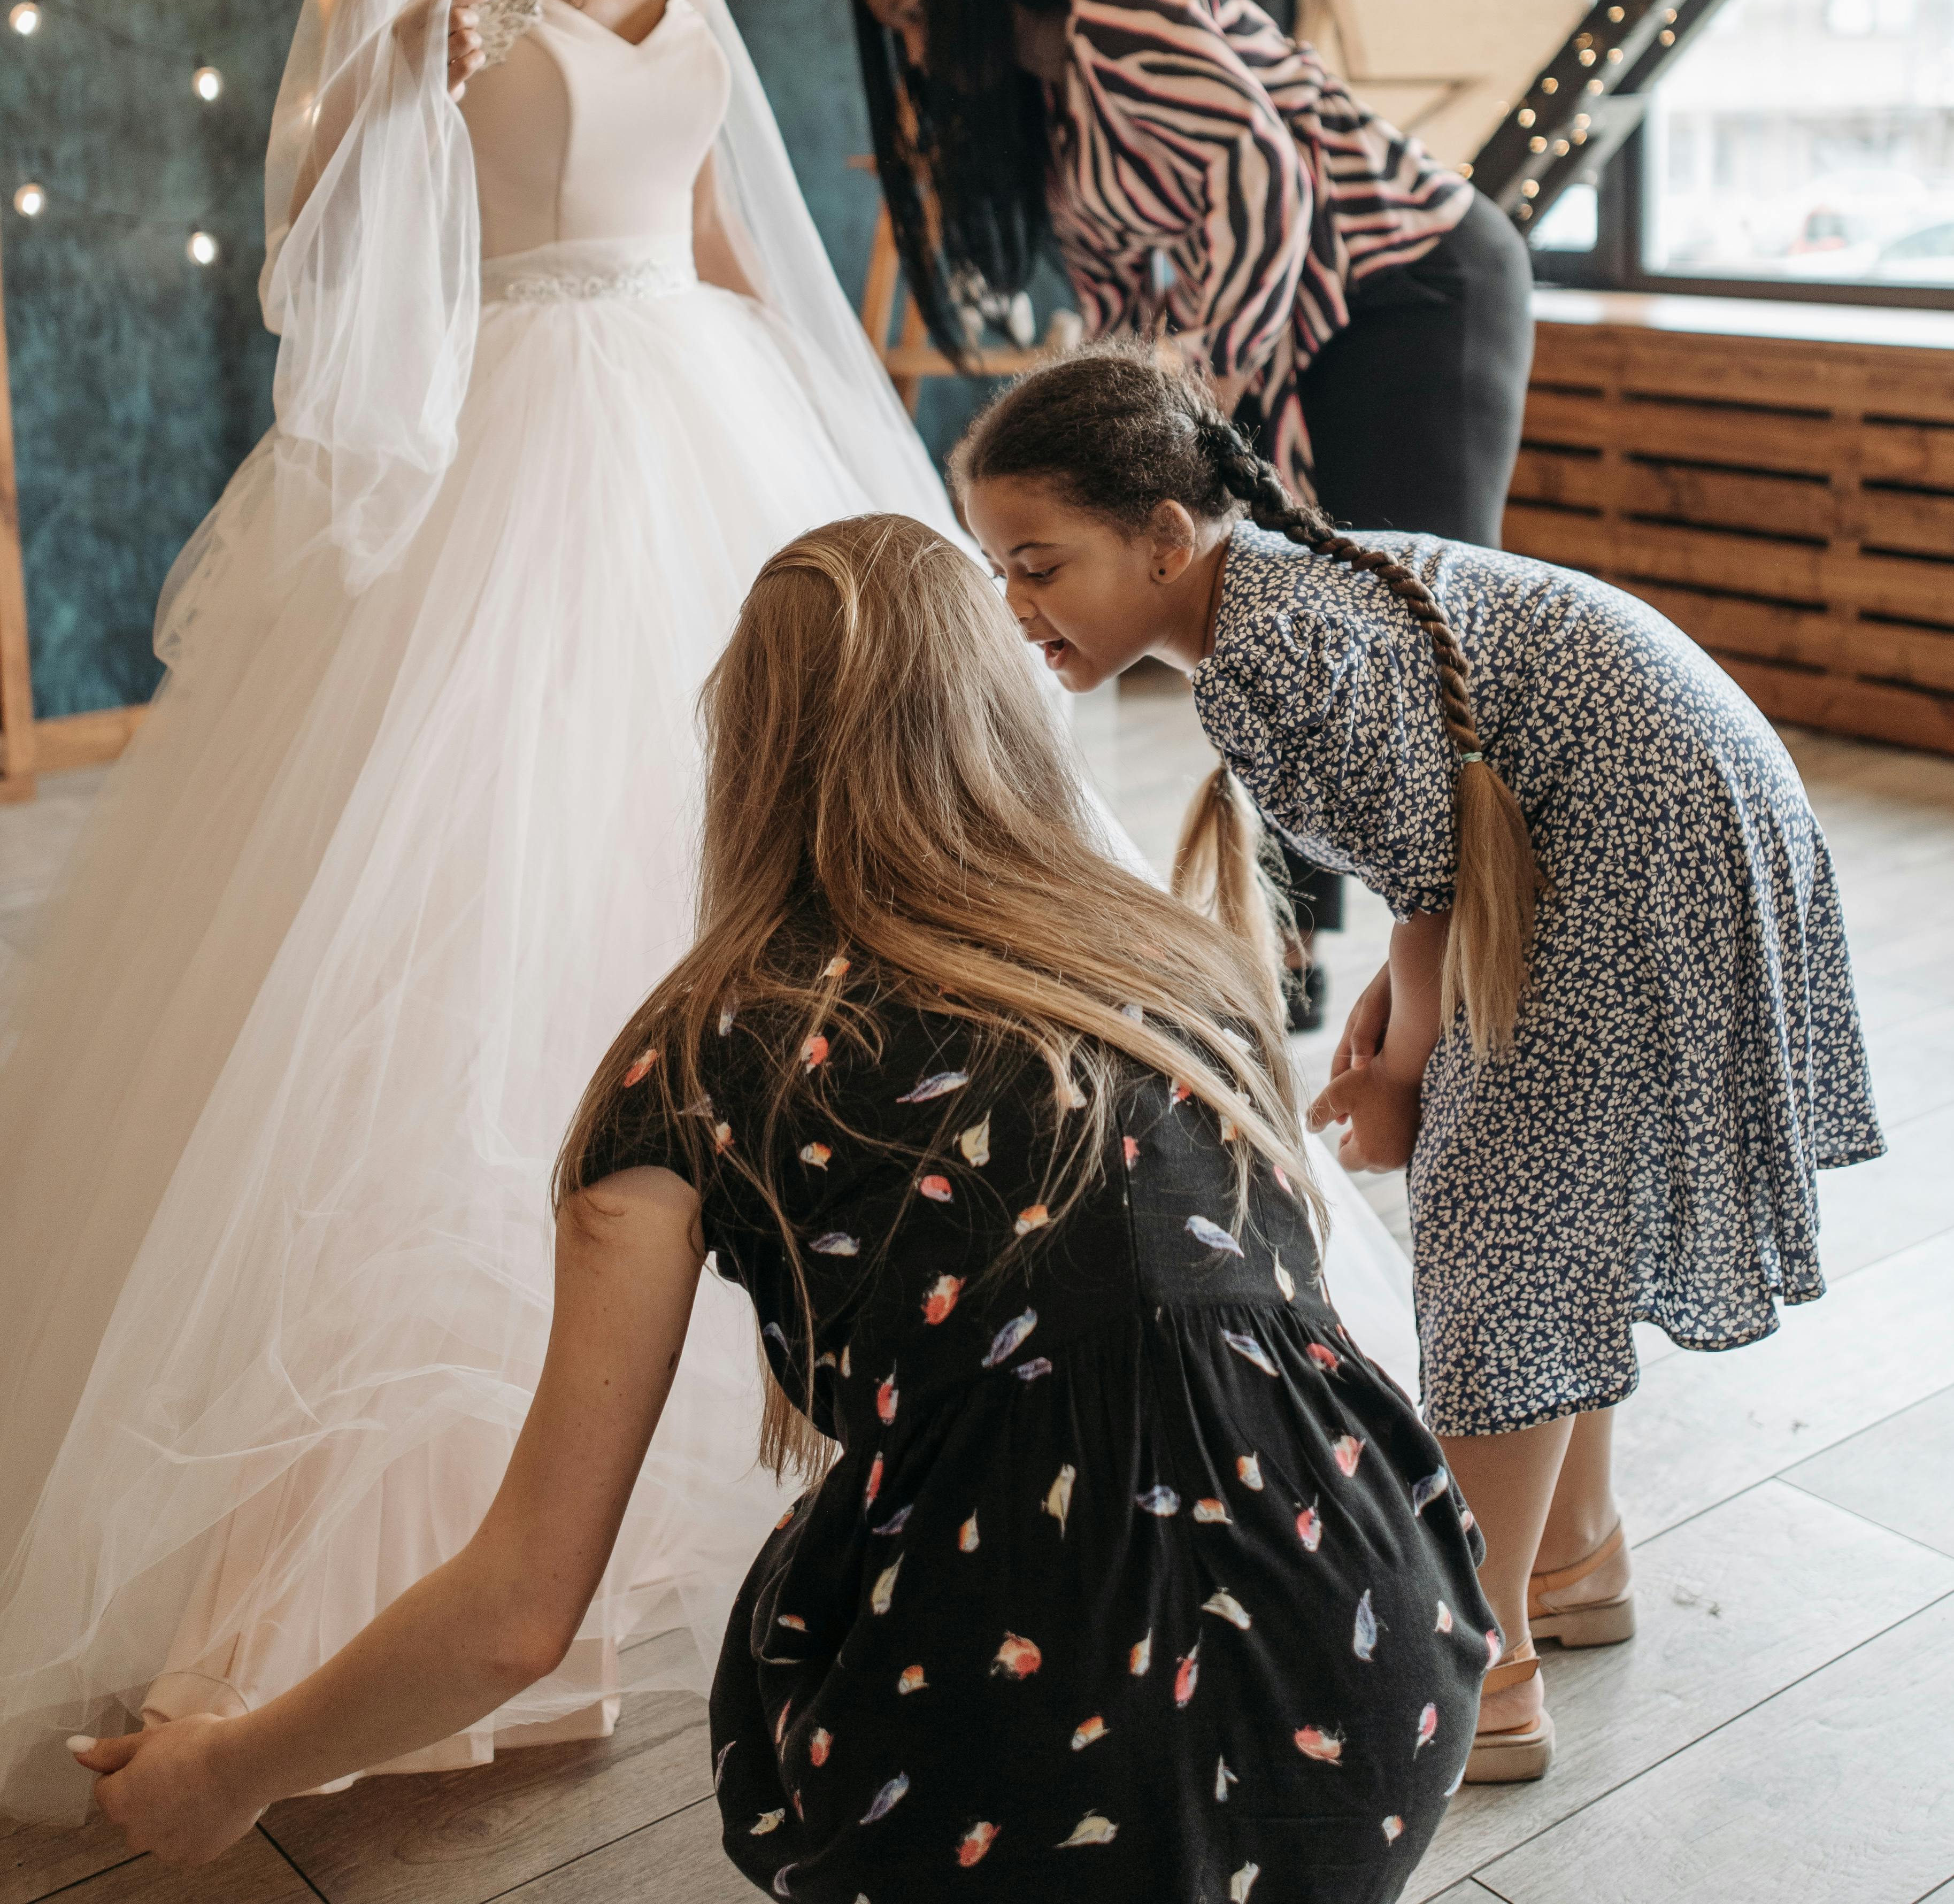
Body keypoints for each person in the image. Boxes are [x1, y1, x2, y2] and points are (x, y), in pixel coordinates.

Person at [0, 0, 976, 1822]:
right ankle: (394, 1550)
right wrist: (383, 100)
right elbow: (309, 223)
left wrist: (843, 455)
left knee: (733, 865)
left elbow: (735, 235)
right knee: (467, 916)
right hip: (520, 432)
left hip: (700, 410)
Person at [69, 512, 1494, 1901]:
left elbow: (516, 1615)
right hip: (1380, 1679)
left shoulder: (697, 1059)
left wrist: (228, 1768)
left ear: (748, 748)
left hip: (1030, 1771)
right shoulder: (1180, 960)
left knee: (820, 1615)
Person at [951, 343, 1885, 1787]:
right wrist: (1389, 1050)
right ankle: (1571, 1557)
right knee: (1538, 1210)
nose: (1015, 607)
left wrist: (1395, 1072)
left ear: (1159, 536)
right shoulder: (1263, 604)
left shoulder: (1268, 646)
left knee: (1497, 1235)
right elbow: (1428, 874)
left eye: (1037, 564)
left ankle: (1487, 1664)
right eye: (997, 572)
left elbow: (1432, 881)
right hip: (1649, 817)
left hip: (1636, 842)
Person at [850, 0, 1538, 983]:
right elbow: (1121, 312)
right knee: (1274, 621)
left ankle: (1486, 932)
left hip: (1411, 287)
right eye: (898, 31)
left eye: (921, 13)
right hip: (1292, 330)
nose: (918, 51)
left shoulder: (1125, 3)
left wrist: (1208, 392)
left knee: (1416, 617)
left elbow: (1263, 183)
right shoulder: (1058, 116)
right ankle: (1296, 941)